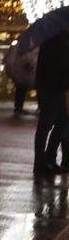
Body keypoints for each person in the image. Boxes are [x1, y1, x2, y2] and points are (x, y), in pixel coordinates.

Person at [34, 34, 69, 178]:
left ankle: (47, 159)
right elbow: (61, 67)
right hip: (54, 89)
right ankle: (44, 161)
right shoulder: (59, 43)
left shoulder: (49, 40)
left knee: (58, 124)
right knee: (48, 125)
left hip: (50, 89)